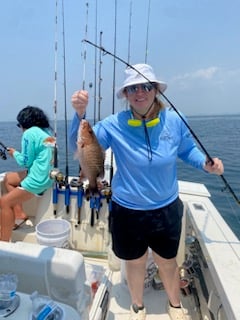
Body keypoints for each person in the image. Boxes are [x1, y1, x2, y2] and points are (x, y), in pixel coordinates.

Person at [69, 64, 224, 320]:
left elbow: (187, 150)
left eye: (146, 86)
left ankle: (175, 304)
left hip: (165, 208)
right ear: (126, 94)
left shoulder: (174, 120)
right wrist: (79, 114)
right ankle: (138, 305)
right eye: (133, 88)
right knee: (135, 261)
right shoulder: (113, 124)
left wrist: (205, 164)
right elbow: (82, 146)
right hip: (127, 209)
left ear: (156, 91)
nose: (139, 92)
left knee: (167, 261)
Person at [0, 106, 54, 241]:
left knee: (4, 203)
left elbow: (25, 161)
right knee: (8, 179)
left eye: (20, 125)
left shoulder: (29, 134)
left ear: (25, 123)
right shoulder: (46, 132)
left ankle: (3, 243)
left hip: (38, 179)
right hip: (48, 175)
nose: (20, 128)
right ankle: (20, 215)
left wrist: (14, 153)